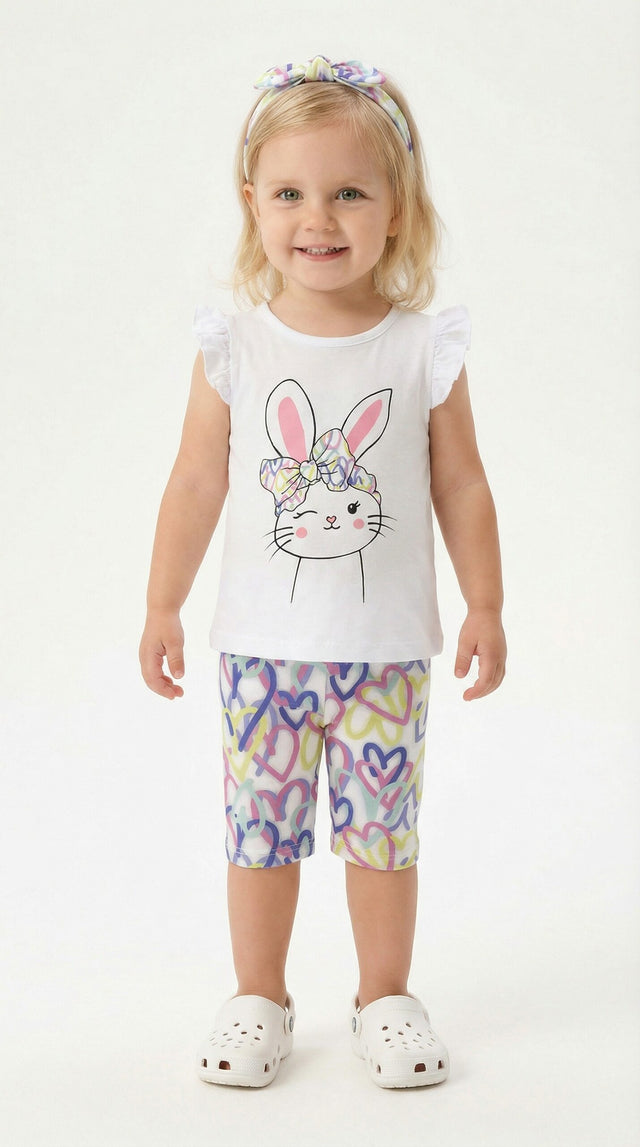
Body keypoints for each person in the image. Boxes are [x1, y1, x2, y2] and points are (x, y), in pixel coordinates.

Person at [139, 54, 506, 1091]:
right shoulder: (236, 347)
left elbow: (463, 484)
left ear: (398, 207)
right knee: (260, 834)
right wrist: (163, 601)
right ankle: (259, 994)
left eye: (349, 192)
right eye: (291, 193)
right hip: (261, 652)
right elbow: (197, 478)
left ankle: (384, 995)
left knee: (382, 836)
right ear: (251, 202)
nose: (319, 218)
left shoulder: (423, 349)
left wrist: (485, 601)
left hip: (386, 654)